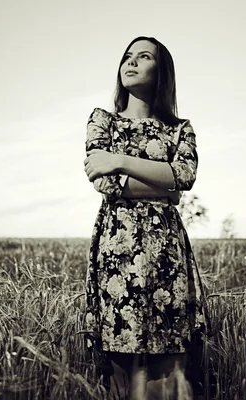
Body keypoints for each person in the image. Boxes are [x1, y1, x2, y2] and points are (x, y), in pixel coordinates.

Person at [83, 36, 210, 399]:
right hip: (117, 250)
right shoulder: (101, 120)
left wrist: (120, 161)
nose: (131, 62)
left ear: (161, 72)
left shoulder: (179, 128)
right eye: (127, 56)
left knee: (170, 360)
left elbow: (184, 176)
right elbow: (102, 179)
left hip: (165, 253)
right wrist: (164, 186)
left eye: (143, 57)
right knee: (122, 353)